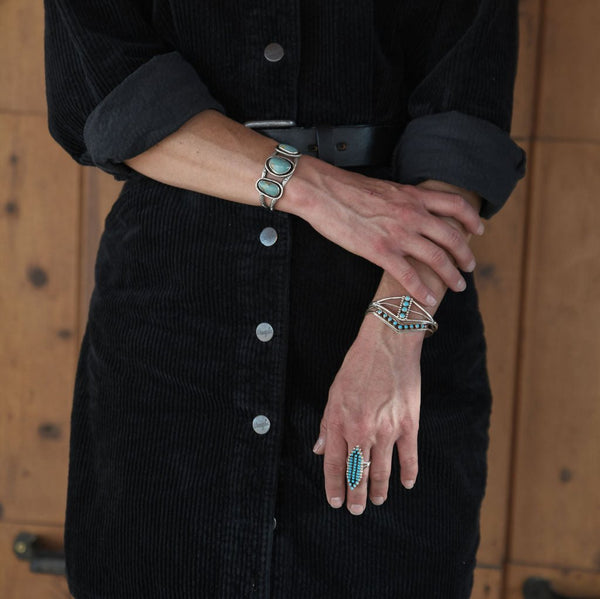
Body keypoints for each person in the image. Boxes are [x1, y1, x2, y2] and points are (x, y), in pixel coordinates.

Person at [43, 1, 526, 597]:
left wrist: (394, 332)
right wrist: (318, 192)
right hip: (172, 331)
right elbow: (106, 85)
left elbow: (464, 124)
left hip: (391, 317)